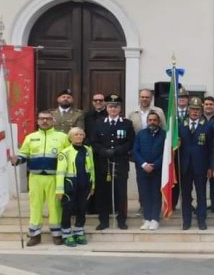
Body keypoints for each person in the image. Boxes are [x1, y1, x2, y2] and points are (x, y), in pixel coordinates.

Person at [10, 111, 70, 246]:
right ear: (37, 121)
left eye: (48, 119)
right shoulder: (31, 137)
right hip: (35, 177)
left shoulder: (62, 137)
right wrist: (16, 159)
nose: (44, 121)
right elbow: (24, 153)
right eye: (42, 119)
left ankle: (57, 234)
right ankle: (35, 235)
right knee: (35, 206)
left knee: (55, 206)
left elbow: (69, 155)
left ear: (53, 121)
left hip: (54, 177)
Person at [91, 94, 135, 230]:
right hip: (103, 163)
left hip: (120, 162)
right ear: (106, 108)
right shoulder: (99, 122)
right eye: (110, 106)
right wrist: (103, 151)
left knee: (121, 192)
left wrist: (116, 150)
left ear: (120, 108)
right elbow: (94, 141)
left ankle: (121, 220)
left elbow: (130, 142)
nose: (113, 109)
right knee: (103, 193)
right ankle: (103, 220)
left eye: (116, 107)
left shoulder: (126, 123)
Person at [56, 127, 95, 247]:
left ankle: (79, 232)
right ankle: (67, 234)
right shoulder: (65, 152)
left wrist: (93, 185)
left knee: (82, 209)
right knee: (67, 210)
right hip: (70, 185)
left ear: (84, 136)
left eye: (81, 134)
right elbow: (60, 172)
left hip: (84, 184)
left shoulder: (88, 150)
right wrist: (59, 190)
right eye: (76, 135)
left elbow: (92, 169)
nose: (78, 136)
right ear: (70, 138)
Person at [178, 97, 213, 230]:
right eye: (192, 109)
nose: (194, 112)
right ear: (188, 109)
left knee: (201, 195)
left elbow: (211, 148)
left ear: (201, 111)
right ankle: (186, 220)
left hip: (201, 167)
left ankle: (201, 220)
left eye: (197, 110)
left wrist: (210, 166)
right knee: (186, 195)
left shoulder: (207, 126)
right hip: (185, 167)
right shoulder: (181, 126)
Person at [133, 111, 165, 231]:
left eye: (154, 120)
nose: (152, 122)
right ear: (147, 122)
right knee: (145, 194)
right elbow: (135, 151)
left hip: (158, 170)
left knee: (156, 194)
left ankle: (155, 219)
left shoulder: (164, 135)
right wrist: (144, 164)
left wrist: (155, 165)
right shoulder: (141, 134)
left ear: (159, 122)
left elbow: (166, 153)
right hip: (143, 170)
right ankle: (147, 218)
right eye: (150, 120)